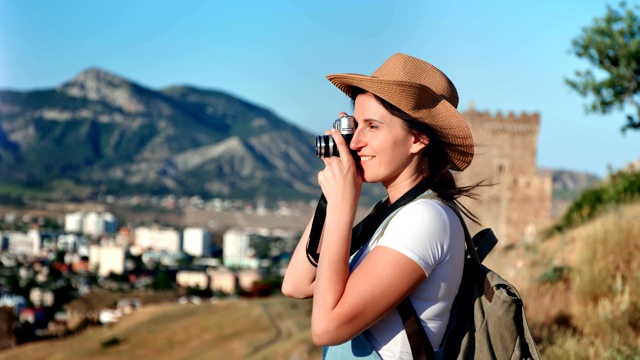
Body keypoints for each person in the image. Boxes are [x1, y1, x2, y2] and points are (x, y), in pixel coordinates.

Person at [281, 52, 478, 359]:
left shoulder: (426, 219)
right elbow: (297, 284)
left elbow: (326, 328)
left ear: (418, 138)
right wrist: (334, 196)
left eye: (372, 126)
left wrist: (344, 206)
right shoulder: (392, 214)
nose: (356, 142)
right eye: (355, 126)